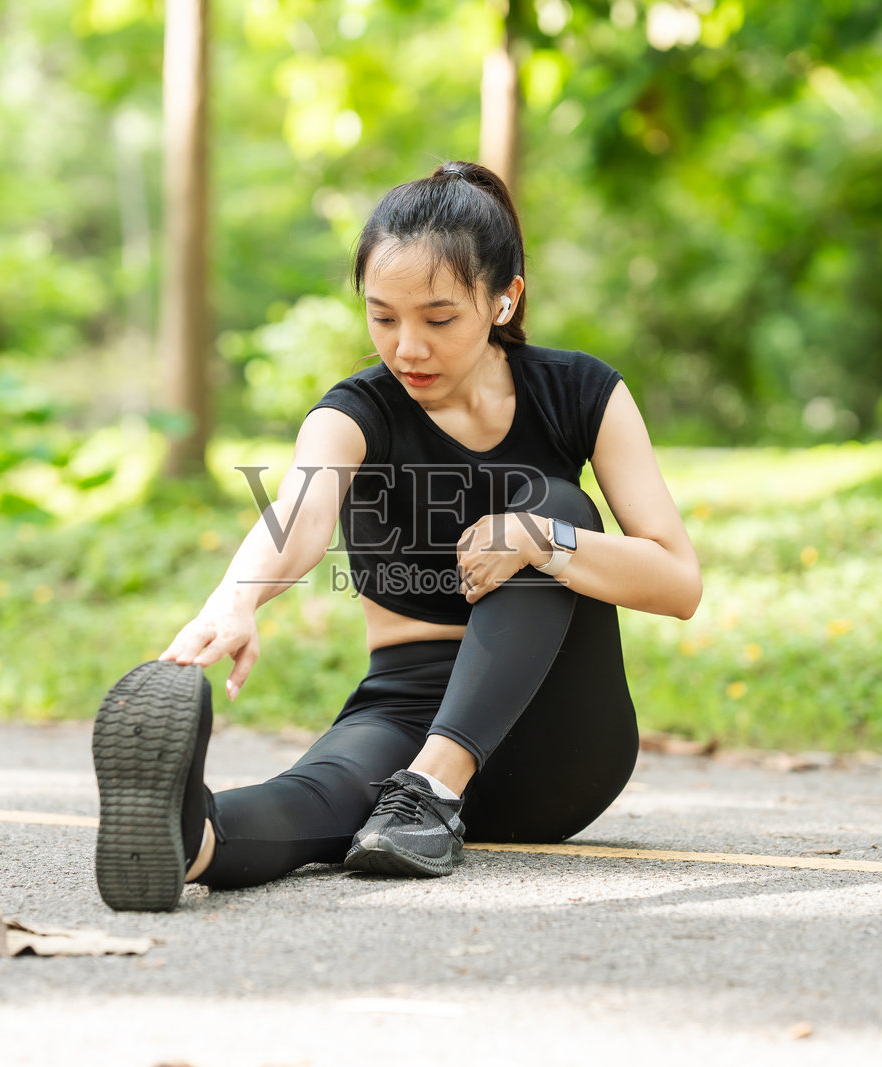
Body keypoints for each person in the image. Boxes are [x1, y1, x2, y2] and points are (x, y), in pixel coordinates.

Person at [91, 161, 701, 911]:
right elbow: (300, 512)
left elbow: (679, 582)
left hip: (559, 744)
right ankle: (189, 840)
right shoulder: (355, 411)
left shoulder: (582, 393)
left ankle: (433, 786)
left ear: (504, 299)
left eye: (437, 318)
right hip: (403, 711)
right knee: (314, 795)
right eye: (383, 317)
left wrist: (543, 540)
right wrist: (234, 597)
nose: (407, 346)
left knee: (553, 506)